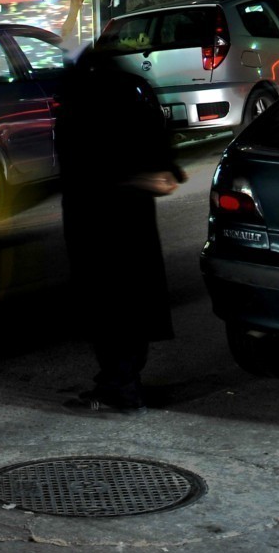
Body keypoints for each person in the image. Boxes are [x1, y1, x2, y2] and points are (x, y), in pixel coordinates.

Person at [53, 37, 184, 411]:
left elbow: (79, 159)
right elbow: (157, 138)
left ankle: (121, 386)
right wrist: (164, 170)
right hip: (131, 212)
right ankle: (124, 380)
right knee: (130, 298)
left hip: (95, 213)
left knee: (107, 301)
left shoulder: (81, 99)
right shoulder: (131, 89)